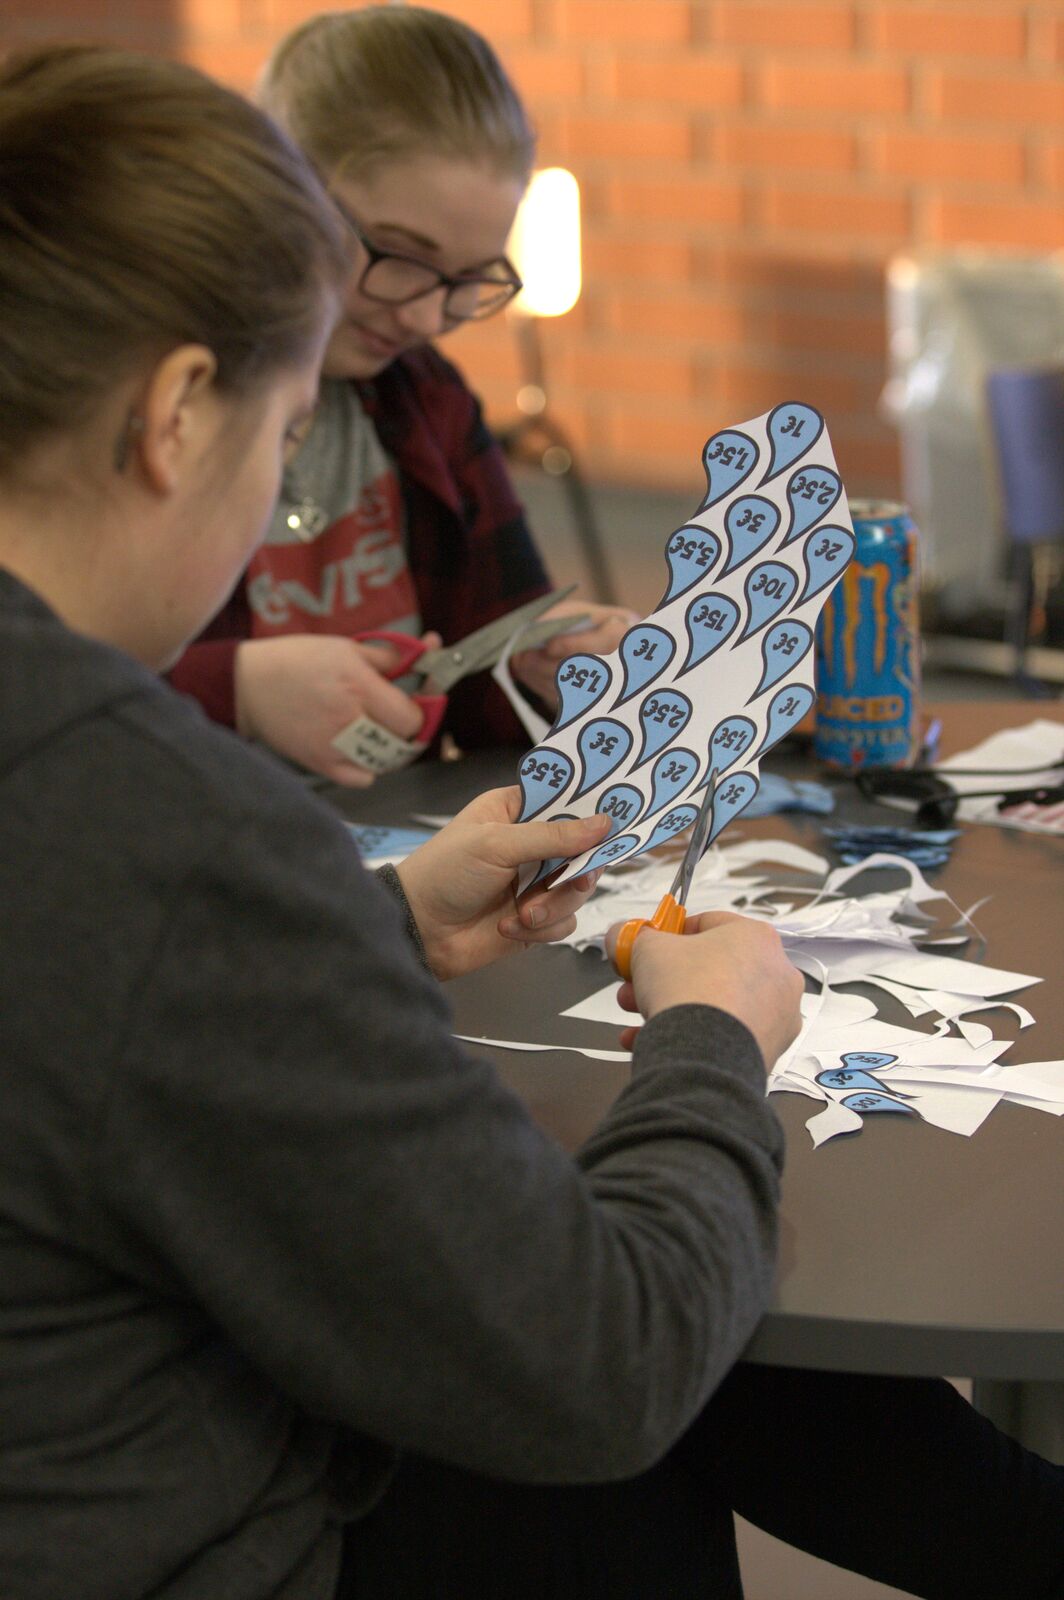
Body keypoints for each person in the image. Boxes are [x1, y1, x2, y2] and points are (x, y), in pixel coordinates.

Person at [1, 41, 1062, 1600]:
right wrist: (715, 1040)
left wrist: (382, 921)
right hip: (190, 1533)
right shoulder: (179, 839)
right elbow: (602, 1362)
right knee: (641, 1342)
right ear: (176, 416)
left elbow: (101, 1003)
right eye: (285, 433)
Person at [168, 5, 637, 788]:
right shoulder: (154, 398)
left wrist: (548, 671)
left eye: (469, 278)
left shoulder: (426, 399)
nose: (425, 319)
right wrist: (234, 690)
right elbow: (42, 689)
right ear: (284, 191)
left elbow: (482, 700)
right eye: (398, 256)